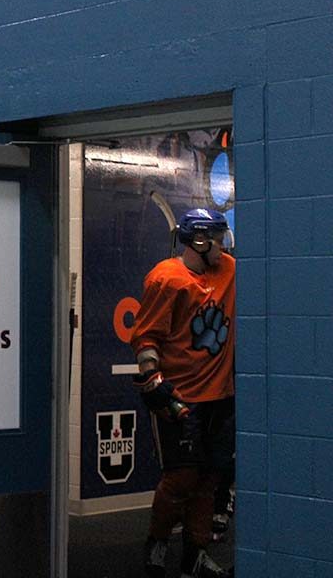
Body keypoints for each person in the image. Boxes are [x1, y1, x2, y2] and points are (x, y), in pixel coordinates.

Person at [131, 208, 235, 578]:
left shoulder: (229, 272)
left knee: (209, 478)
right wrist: (153, 380)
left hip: (219, 396)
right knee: (181, 479)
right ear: (200, 241)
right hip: (182, 395)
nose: (223, 246)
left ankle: (195, 554)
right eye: (218, 239)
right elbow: (146, 335)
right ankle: (157, 544)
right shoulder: (167, 279)